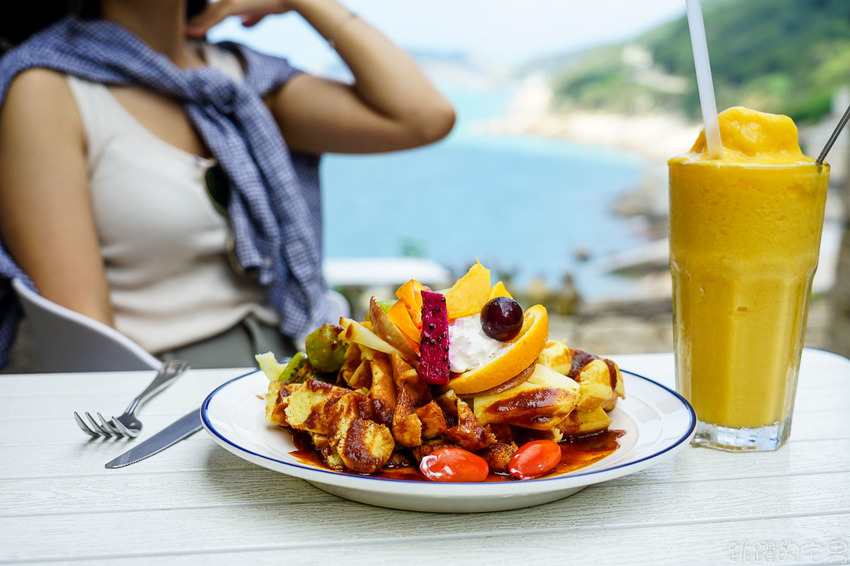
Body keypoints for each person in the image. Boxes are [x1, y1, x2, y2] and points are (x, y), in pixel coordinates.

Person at [0, 0, 455, 369]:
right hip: (159, 391)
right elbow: (87, 340)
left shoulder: (240, 80)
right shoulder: (47, 90)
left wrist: (303, 2)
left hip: (292, 365)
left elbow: (423, 116)